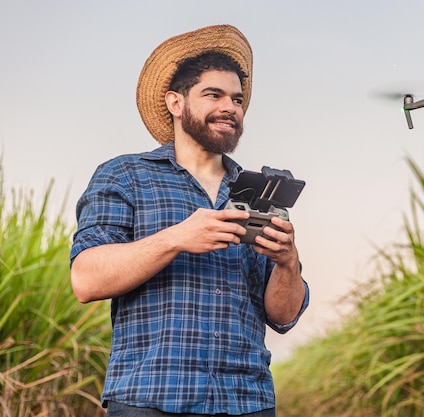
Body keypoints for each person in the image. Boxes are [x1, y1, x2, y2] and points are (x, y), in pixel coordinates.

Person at [69, 24, 309, 417]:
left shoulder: (259, 193)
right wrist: (176, 237)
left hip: (246, 402)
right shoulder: (125, 175)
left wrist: (287, 261)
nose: (230, 107)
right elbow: (86, 280)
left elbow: (283, 316)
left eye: (237, 99)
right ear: (175, 103)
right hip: (149, 401)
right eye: (213, 94)